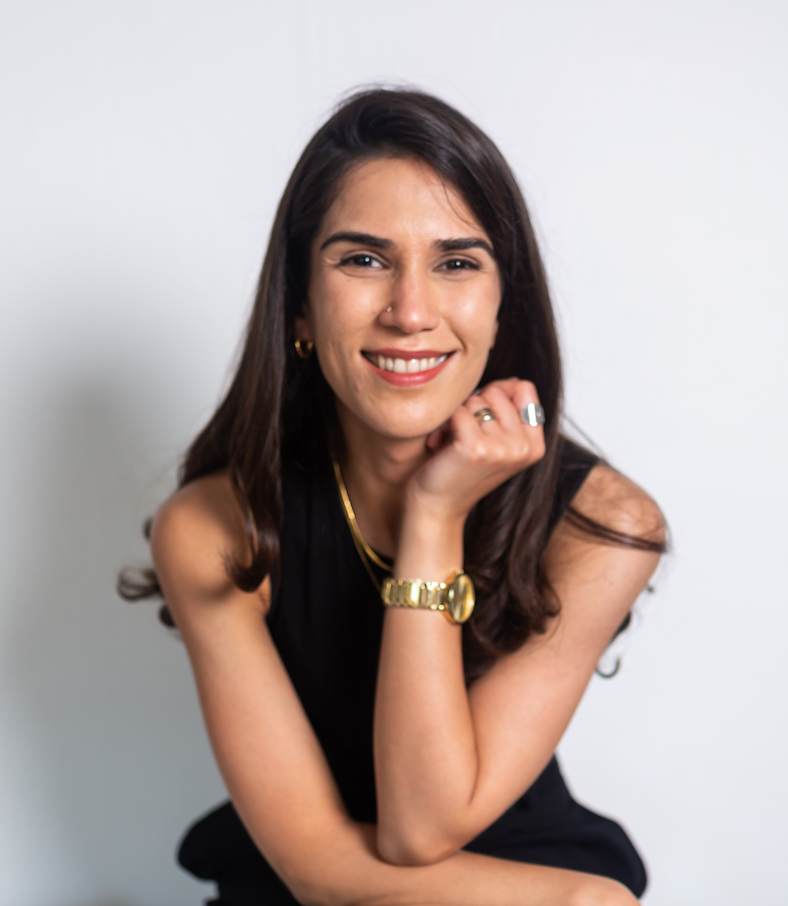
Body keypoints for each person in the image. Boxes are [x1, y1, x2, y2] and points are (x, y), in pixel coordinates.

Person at [120, 88, 667, 906]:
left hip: (510, 862)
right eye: (364, 260)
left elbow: (422, 826)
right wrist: (579, 901)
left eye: (457, 263)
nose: (411, 312)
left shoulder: (602, 526)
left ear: (502, 306)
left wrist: (435, 513)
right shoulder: (213, 527)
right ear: (300, 307)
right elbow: (315, 867)